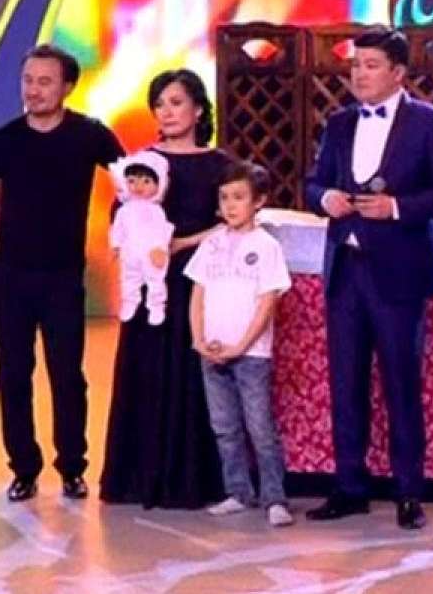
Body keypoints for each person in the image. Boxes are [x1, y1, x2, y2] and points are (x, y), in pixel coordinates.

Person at [302, 26, 433, 529]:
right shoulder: (339, 122)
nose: (359, 74)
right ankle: (349, 487)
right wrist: (325, 198)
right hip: (345, 270)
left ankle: (409, 492)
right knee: (345, 383)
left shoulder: (430, 122)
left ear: (398, 72)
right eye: (355, 65)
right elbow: (313, 183)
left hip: (398, 271)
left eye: (371, 65)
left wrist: (396, 207)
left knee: (400, 382)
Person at [0, 44, 125, 502]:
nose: (33, 90)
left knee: (67, 375)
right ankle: (23, 468)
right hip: (10, 275)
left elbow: (135, 183)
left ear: (67, 86)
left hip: (63, 277)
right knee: (14, 374)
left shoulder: (90, 135)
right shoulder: (2, 140)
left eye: (44, 81)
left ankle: (72, 467)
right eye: (28, 80)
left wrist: (130, 232)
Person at [100, 69, 229, 508]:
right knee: (148, 371)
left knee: (195, 375)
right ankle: (139, 478)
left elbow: (233, 222)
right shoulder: (141, 165)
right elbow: (121, 219)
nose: (167, 112)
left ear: (198, 109)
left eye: (176, 103)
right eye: (159, 105)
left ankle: (194, 480)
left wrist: (182, 244)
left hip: (201, 281)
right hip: (150, 286)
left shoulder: (220, 165)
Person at [186, 161, 294, 527]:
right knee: (224, 426)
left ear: (258, 201)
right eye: (224, 198)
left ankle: (274, 497)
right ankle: (238, 491)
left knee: (259, 427)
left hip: (251, 355)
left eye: (239, 197)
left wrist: (242, 345)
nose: (230, 205)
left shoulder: (266, 246)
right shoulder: (212, 244)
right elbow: (198, 294)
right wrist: (199, 339)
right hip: (212, 351)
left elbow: (267, 302)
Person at [109, 150, 174, 326]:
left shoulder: (156, 210)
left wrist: (161, 248)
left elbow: (162, 230)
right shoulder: (124, 210)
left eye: (146, 181)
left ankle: (156, 305)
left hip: (151, 252)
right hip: (130, 252)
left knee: (156, 280)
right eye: (132, 181)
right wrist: (115, 245)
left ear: (159, 185)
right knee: (129, 279)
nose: (138, 186)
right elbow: (118, 229)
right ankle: (130, 302)